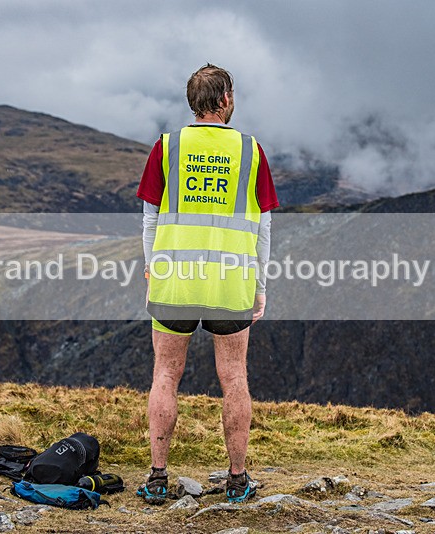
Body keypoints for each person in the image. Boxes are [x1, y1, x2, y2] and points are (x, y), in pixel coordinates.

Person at [135, 64, 278, 504]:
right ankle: (237, 481)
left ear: (192, 102)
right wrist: (259, 284)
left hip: (175, 280)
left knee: (165, 375)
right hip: (230, 282)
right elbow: (263, 228)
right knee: (234, 378)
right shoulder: (251, 151)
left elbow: (150, 220)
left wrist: (152, 270)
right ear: (226, 99)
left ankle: (157, 479)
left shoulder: (167, 146)